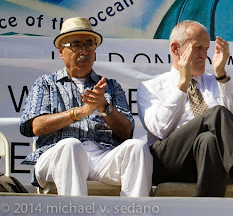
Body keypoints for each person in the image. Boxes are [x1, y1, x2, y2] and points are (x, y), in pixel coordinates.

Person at [137, 20, 233, 198]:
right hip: (168, 163)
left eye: (206, 49)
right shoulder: (151, 87)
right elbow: (160, 130)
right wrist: (182, 85)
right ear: (176, 48)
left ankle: (206, 206)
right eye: (198, 48)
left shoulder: (216, 81)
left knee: (208, 140)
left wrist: (221, 75)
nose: (204, 55)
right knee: (216, 113)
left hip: (209, 160)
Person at [19, 17, 152, 196]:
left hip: (101, 156)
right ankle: (76, 210)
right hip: (56, 155)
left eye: (90, 44)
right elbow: (37, 126)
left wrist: (104, 107)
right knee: (71, 146)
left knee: (137, 148)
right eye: (76, 45)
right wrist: (78, 113)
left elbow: (126, 132)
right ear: (61, 52)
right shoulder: (46, 84)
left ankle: (134, 209)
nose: (84, 51)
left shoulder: (111, 86)